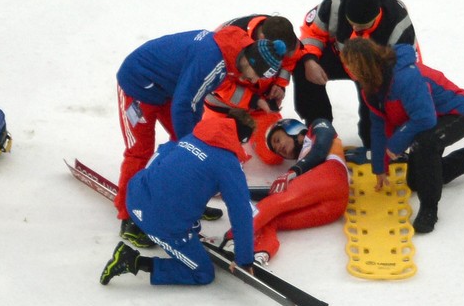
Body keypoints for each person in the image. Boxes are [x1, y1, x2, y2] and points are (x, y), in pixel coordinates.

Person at [115, 26, 286, 247]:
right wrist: (191, 145)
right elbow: (184, 104)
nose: (253, 81)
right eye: (256, 76)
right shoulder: (212, 59)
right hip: (138, 83)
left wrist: (253, 102)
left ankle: (186, 198)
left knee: (192, 143)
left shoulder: (236, 52)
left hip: (169, 89)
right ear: (251, 62)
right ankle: (128, 216)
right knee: (140, 151)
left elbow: (211, 88)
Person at [340, 37, 464, 233]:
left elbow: (425, 119)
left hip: (457, 113)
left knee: (424, 144)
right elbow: (379, 126)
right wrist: (380, 167)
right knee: (417, 180)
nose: (348, 70)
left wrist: (394, 146)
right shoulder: (371, 88)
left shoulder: (405, 77)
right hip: (429, 117)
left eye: (349, 65)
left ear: (363, 67)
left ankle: (429, 209)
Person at [100, 110, 257, 286]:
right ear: (241, 141)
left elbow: (159, 156)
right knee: (203, 273)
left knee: (179, 191)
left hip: (134, 198)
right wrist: (244, 259)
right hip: (162, 222)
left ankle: (152, 225)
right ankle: (133, 261)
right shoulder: (228, 164)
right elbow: (241, 211)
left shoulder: (191, 137)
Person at [293, 0, 420, 148]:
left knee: (374, 134)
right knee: (301, 64)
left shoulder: (398, 27)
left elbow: (407, 73)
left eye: (361, 26)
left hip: (376, 74)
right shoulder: (334, 4)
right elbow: (313, 32)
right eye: (351, 23)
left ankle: (379, 142)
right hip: (341, 56)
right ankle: (318, 129)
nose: (355, 28)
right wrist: (310, 60)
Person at [220, 118, 349, 264]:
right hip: (334, 206)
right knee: (271, 219)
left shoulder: (316, 126)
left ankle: (232, 238)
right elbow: (277, 193)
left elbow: (320, 149)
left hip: (330, 174)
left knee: (274, 204)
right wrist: (234, 190)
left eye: (277, 140)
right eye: (276, 149)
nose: (279, 148)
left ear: (292, 129)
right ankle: (263, 251)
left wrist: (294, 171)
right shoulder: (303, 165)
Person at [204, 14, 302, 164]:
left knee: (273, 157)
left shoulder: (284, 37)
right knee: (210, 154)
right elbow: (219, 85)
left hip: (259, 108)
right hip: (221, 107)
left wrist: (280, 85)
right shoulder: (227, 43)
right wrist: (254, 100)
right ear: (262, 38)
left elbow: (291, 60)